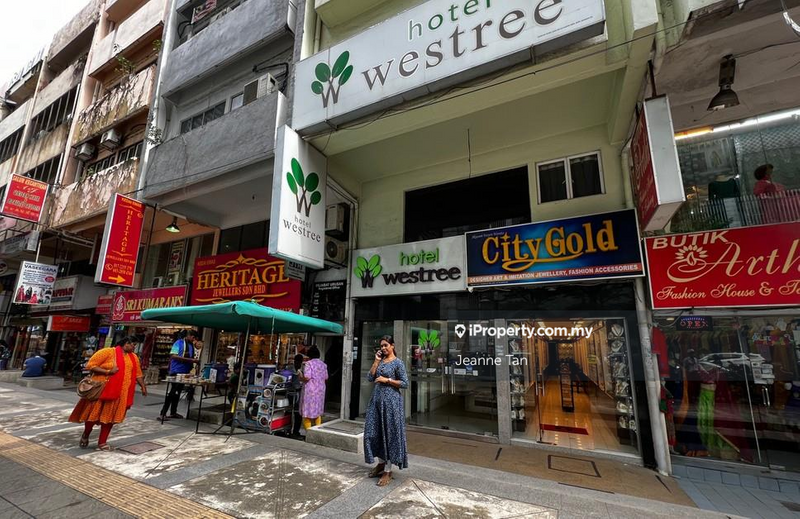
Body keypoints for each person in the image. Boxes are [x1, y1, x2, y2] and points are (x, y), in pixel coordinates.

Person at [69, 336, 147, 450]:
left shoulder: (134, 357)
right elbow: (90, 366)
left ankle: (102, 442)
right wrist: (108, 371)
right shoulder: (107, 352)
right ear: (126, 343)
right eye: (133, 345)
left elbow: (138, 374)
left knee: (110, 418)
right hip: (102, 390)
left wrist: (143, 386)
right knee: (93, 415)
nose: (134, 347)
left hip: (121, 393)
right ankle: (86, 434)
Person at [364, 335, 409, 487]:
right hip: (376, 401)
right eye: (381, 346)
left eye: (385, 345)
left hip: (391, 403)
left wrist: (387, 380)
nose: (383, 348)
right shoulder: (380, 361)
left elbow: (405, 383)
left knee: (388, 435)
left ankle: (388, 471)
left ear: (392, 345)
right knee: (374, 432)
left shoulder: (398, 363)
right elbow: (370, 378)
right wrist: (376, 361)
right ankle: (381, 463)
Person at [158, 329, 200, 421]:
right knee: (172, 392)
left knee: (178, 392)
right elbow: (173, 355)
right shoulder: (178, 343)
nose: (193, 339)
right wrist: (190, 360)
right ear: (188, 335)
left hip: (185, 372)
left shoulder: (191, 345)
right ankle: (163, 413)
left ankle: (173, 412)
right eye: (193, 337)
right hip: (176, 371)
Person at [300, 346, 328, 432]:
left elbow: (307, 377)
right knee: (317, 411)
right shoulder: (323, 364)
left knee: (307, 412)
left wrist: (300, 377)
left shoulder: (309, 364)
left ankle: (309, 432)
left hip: (310, 390)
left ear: (309, 355)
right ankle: (317, 431)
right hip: (320, 390)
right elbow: (326, 377)